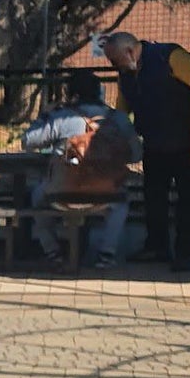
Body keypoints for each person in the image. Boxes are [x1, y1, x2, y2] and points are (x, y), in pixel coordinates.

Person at [99, 31, 190, 271]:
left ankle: (184, 252)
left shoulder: (170, 57)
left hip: (188, 142)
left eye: (115, 60)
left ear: (129, 52)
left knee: (188, 199)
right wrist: (119, 134)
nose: (114, 66)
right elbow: (123, 106)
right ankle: (157, 247)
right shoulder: (126, 75)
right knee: (154, 197)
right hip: (155, 144)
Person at [22, 71, 143, 269]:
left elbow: (27, 141)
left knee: (36, 199)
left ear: (70, 92)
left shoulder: (61, 117)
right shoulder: (119, 119)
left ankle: (53, 251)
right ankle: (107, 254)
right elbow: (137, 154)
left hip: (61, 191)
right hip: (107, 192)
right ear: (99, 92)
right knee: (121, 204)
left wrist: (45, 114)